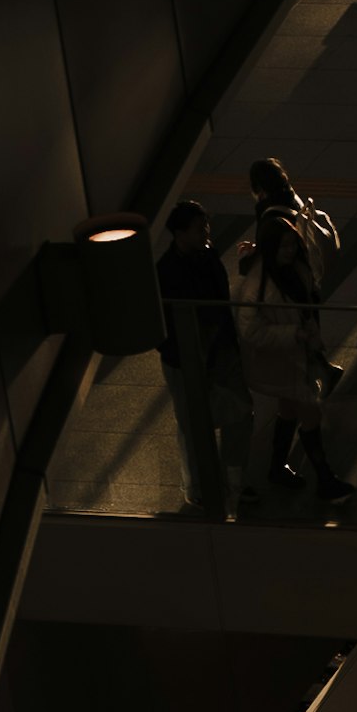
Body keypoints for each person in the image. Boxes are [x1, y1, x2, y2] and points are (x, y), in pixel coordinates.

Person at [231, 155, 351, 511]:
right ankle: (325, 480)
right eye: (283, 247)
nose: (289, 251)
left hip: (292, 357)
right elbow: (250, 328)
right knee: (309, 412)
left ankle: (277, 467)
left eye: (292, 246)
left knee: (288, 408)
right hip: (287, 355)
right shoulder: (261, 282)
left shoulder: (290, 266)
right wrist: (294, 335)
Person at [155, 197, 242, 516]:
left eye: (206, 224)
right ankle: (201, 485)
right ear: (179, 233)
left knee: (202, 417)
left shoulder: (199, 259)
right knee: (192, 421)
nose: (206, 230)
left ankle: (212, 481)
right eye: (198, 227)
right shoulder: (170, 271)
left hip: (208, 350)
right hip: (185, 357)